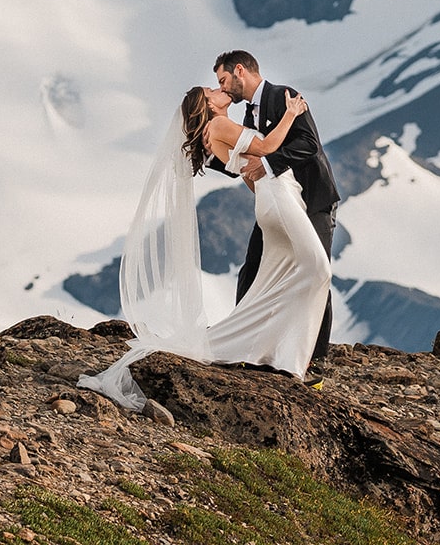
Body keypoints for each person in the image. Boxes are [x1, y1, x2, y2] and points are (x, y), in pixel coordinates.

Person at [77, 81, 331, 411]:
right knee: (317, 269)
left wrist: (270, 196)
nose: (218, 88)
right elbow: (268, 147)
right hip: (278, 197)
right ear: (209, 104)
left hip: (273, 199)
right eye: (213, 89)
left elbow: (247, 175)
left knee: (275, 280)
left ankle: (276, 354)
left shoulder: (212, 134)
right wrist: (291, 114)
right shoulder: (219, 124)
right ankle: (286, 355)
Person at [213, 49, 339, 362]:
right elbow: (243, 161)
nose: (223, 87)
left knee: (315, 269)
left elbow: (309, 145)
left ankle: (316, 359)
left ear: (240, 70)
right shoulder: (247, 116)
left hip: (313, 201)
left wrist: (267, 164)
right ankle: (242, 341)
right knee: (253, 266)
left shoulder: (286, 96)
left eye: (224, 80)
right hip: (278, 202)